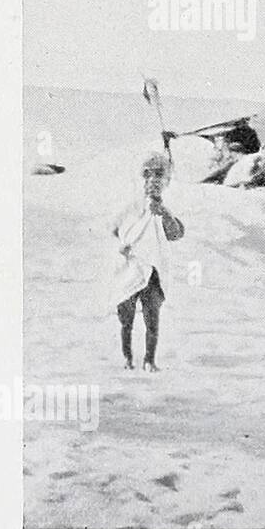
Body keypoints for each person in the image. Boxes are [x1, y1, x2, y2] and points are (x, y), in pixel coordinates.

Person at [111, 150, 185, 370]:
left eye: (158, 174)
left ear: (166, 180)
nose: (152, 179)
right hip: (131, 268)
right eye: (147, 174)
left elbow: (175, 234)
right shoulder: (130, 207)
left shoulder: (163, 211)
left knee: (152, 320)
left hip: (153, 272)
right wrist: (122, 247)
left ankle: (149, 360)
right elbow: (115, 230)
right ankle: (127, 358)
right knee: (127, 318)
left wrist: (164, 213)